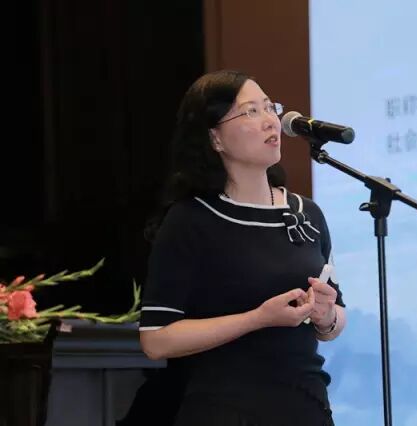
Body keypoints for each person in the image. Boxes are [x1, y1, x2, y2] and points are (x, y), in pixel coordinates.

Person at [137, 70, 346, 426]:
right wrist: (257, 319)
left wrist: (326, 316)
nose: (270, 121)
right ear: (214, 138)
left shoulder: (306, 213)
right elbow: (156, 340)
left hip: (306, 405)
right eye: (250, 111)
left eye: (269, 107)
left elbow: (336, 318)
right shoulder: (191, 219)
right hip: (225, 410)